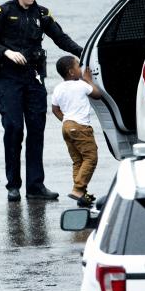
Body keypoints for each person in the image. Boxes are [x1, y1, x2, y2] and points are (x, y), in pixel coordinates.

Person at [0, 0, 84, 202]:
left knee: (36, 130)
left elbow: (61, 38)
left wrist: (82, 51)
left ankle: (36, 186)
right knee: (14, 129)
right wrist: (6, 52)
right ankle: (13, 185)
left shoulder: (42, 13)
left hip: (34, 78)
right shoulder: (4, 12)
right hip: (8, 79)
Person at [51, 55, 102, 207]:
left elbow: (55, 109)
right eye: (78, 66)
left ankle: (81, 196)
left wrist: (67, 122)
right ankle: (78, 188)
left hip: (66, 127)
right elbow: (97, 95)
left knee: (78, 161)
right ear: (71, 72)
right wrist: (89, 80)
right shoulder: (81, 84)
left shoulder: (58, 88)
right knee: (91, 158)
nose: (81, 68)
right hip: (80, 127)